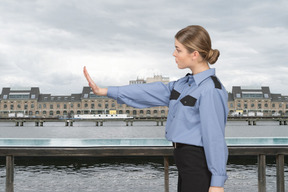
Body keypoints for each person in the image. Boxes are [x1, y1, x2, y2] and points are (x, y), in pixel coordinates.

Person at [84, 25, 228, 192]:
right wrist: (105, 91)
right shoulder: (182, 84)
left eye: (178, 50)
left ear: (194, 54)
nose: (174, 54)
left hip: (198, 163)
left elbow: (215, 137)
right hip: (184, 162)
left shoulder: (211, 89)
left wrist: (217, 182)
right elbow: (146, 91)